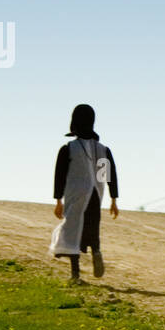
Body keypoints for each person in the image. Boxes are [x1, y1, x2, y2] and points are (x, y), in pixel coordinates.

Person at [50, 103, 119, 282]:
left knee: (73, 231)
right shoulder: (102, 149)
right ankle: (96, 250)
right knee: (92, 227)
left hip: (76, 196)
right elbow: (107, 176)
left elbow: (60, 175)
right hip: (96, 196)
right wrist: (113, 199)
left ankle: (76, 274)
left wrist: (58, 200)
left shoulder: (68, 149)